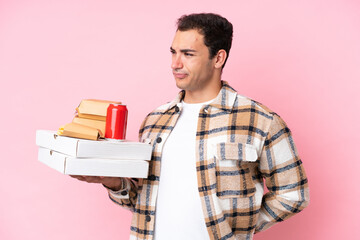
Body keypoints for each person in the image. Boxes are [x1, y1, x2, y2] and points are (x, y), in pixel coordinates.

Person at [71, 13, 310, 240]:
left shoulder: (259, 120)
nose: (176, 63)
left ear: (218, 58)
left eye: (188, 54)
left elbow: (294, 194)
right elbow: (142, 201)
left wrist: (236, 229)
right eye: (173, 52)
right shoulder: (155, 121)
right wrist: (112, 183)